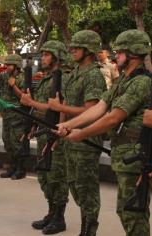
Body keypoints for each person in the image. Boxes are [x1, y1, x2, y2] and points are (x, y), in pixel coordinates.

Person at [57, 29, 152, 236]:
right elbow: (99, 108)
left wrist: (81, 134)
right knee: (126, 211)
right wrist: (69, 125)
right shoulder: (123, 81)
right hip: (125, 155)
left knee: (133, 213)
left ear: (133, 54)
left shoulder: (141, 82)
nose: (114, 55)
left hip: (136, 156)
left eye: (119, 52)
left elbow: (113, 117)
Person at [48, 30, 106, 236]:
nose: (72, 51)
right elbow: (66, 104)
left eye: (77, 48)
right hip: (70, 138)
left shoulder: (93, 76)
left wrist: (59, 109)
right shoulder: (75, 73)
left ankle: (89, 229)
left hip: (86, 140)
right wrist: (61, 128)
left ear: (88, 50)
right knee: (74, 184)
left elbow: (91, 110)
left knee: (86, 187)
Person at [20, 40, 69, 234]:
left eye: (47, 55)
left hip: (55, 134)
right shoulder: (45, 79)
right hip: (42, 131)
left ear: (56, 57)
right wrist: (32, 124)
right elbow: (40, 107)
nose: (44, 58)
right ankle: (51, 212)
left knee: (57, 177)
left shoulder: (62, 78)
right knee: (44, 177)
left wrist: (58, 133)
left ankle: (59, 217)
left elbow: (57, 107)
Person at [0, 54, 28, 180]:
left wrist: (13, 85)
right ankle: (12, 167)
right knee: (7, 141)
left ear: (16, 66)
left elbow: (24, 97)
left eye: (9, 64)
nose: (7, 66)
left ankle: (20, 169)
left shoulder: (22, 78)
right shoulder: (5, 75)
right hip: (6, 115)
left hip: (17, 115)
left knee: (16, 143)